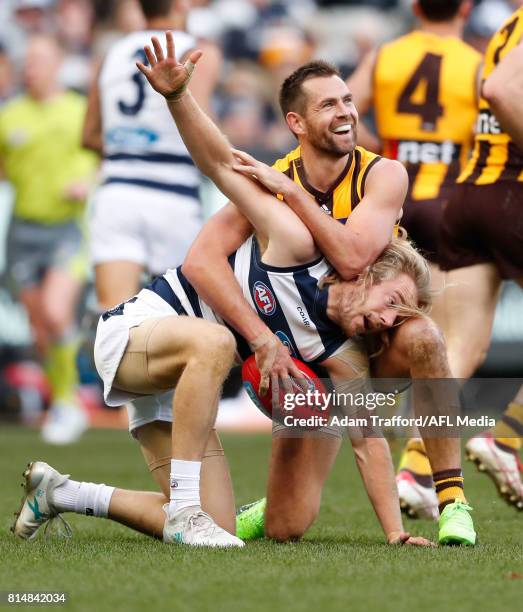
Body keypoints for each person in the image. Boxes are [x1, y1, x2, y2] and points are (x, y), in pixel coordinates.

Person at [12, 33, 436, 549]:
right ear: (367, 274)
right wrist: (177, 97)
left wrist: (395, 533)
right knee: (215, 343)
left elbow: (369, 445)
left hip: (191, 383)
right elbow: (217, 162)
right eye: (392, 302)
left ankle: (62, 493)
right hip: (139, 334)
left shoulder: (343, 354)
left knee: (227, 528)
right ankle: (187, 509)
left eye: (349, 100)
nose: (388, 322)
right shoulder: (296, 240)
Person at [181, 54, 476, 544]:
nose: (345, 113)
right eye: (328, 105)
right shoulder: (272, 179)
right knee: (285, 528)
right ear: (296, 123)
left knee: (423, 335)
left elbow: (357, 257)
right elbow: (201, 260)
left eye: (348, 101)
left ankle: (452, 501)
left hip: (372, 343)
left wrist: (291, 196)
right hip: (309, 360)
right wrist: (259, 340)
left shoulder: (382, 174)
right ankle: (271, 508)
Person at [346, 0, 481, 520]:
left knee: (382, 332)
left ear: (415, 6)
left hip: (396, 197)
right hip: (452, 200)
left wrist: (388, 149)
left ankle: (388, 450)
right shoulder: (477, 63)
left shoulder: (387, 56)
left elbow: (340, 114)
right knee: (444, 341)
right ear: (466, 6)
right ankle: (418, 464)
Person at [83, 0, 221, 312]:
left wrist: (132, 145)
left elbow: (89, 136)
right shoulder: (199, 52)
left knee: (112, 316)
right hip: (174, 194)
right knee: (178, 317)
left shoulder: (111, 54)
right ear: (181, 5)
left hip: (117, 192)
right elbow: (205, 134)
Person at [438, 6, 523, 510]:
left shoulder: (509, 19)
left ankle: (420, 470)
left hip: (469, 192)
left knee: (458, 349)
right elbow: (500, 90)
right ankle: (508, 439)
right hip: (514, 191)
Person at [0, 35, 97, 444]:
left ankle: (68, 400)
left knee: (57, 313)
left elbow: (100, 158)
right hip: (23, 229)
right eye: (28, 60)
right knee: (41, 326)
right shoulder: (9, 116)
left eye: (40, 59)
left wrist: (86, 183)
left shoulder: (78, 111)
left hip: (66, 228)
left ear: (57, 64)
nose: (30, 67)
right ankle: (63, 398)